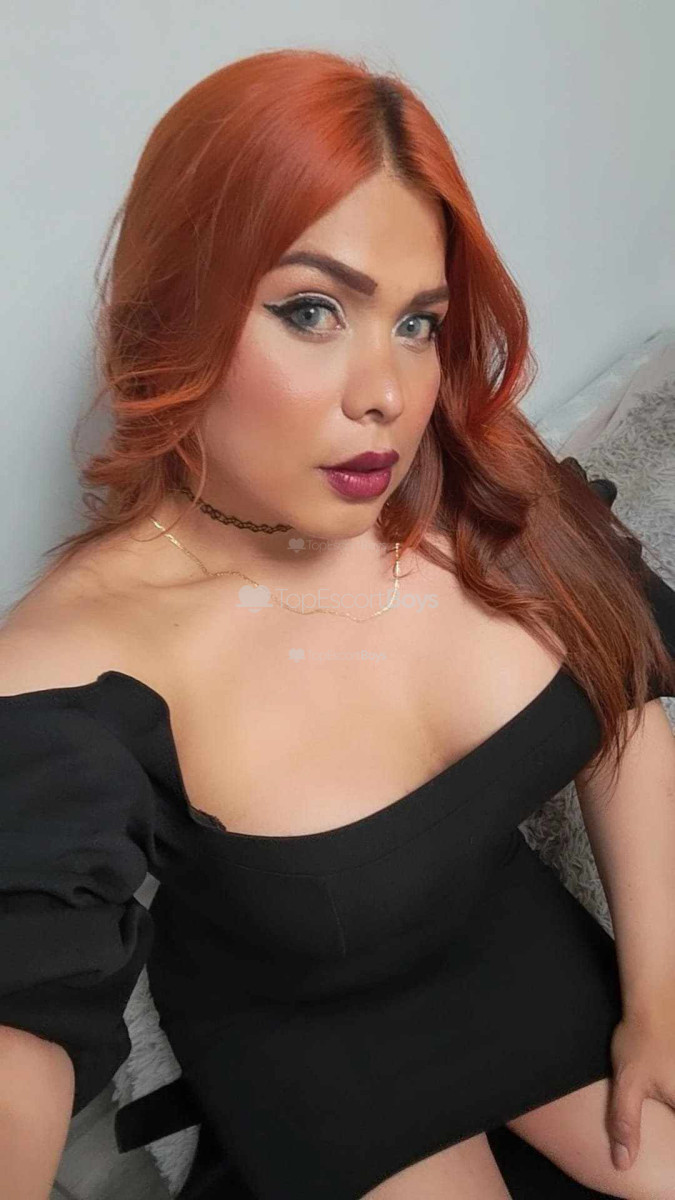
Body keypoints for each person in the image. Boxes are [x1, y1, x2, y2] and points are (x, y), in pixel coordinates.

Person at [1, 47, 674, 1200]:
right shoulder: (76, 663)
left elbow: (621, 695)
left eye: (417, 323)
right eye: (312, 310)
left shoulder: (481, 470)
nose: (388, 394)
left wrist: (657, 997)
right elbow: (23, 994)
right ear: (169, 312)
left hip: (510, 951)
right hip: (306, 1031)